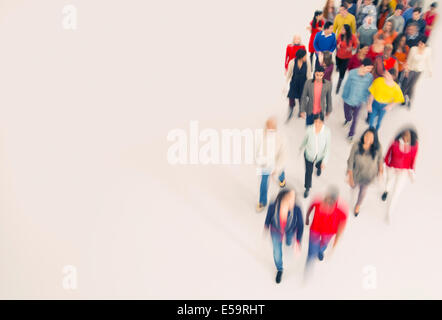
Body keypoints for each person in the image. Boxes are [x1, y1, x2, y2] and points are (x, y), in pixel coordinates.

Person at [264, 189, 304, 284]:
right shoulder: (273, 206)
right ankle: (280, 269)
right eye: (290, 198)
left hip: (290, 230)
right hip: (276, 231)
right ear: (283, 198)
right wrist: (266, 226)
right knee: (277, 252)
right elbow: (269, 216)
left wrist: (298, 241)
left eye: (294, 198)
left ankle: (288, 242)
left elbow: (300, 225)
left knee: (289, 241)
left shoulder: (296, 208)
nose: (293, 201)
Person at [382, 127, 418, 223]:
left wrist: (412, 172)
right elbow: (387, 155)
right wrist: (384, 165)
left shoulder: (414, 146)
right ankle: (386, 191)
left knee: (396, 192)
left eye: (408, 136)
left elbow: (413, 161)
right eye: (404, 135)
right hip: (392, 169)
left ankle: (389, 213)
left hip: (403, 172)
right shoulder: (395, 143)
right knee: (388, 182)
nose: (406, 137)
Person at [305, 187, 347, 269]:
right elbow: (310, 208)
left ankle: (320, 251)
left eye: (331, 201)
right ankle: (310, 259)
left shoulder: (341, 211)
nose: (328, 203)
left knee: (324, 244)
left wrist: (335, 242)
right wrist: (307, 217)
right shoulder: (317, 202)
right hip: (315, 229)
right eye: (327, 199)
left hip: (329, 232)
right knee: (312, 247)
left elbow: (341, 227)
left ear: (335, 201)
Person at [347, 127, 383, 216]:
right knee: (353, 187)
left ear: (374, 140)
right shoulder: (356, 145)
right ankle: (354, 191)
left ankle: (358, 205)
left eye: (371, 138)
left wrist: (380, 171)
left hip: (369, 175)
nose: (368, 139)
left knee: (363, 192)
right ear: (363, 135)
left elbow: (380, 160)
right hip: (356, 173)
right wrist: (350, 176)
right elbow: (350, 160)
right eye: (366, 136)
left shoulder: (378, 148)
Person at [255, 117, 287, 212]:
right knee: (263, 183)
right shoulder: (261, 136)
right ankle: (262, 202)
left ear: (275, 127)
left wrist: (276, 168)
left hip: (276, 163)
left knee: (280, 173)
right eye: (268, 126)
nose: (270, 128)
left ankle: (282, 179)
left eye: (272, 127)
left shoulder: (281, 138)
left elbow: (283, 155)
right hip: (265, 164)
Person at [299, 113, 331, 198]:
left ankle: (318, 168)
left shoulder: (327, 132)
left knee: (318, 165)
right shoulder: (309, 129)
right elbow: (305, 139)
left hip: (320, 156)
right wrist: (301, 147)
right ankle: (307, 188)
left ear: (323, 122)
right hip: (309, 155)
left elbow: (328, 148)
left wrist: (324, 161)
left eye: (320, 122)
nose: (317, 124)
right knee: (308, 172)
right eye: (316, 122)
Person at [342, 58, 374, 141]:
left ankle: (351, 134)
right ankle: (348, 119)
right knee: (347, 114)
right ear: (362, 66)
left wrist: (366, 100)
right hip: (348, 99)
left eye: (371, 69)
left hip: (358, 101)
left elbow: (368, 90)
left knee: (355, 119)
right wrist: (344, 97)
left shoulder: (370, 77)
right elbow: (347, 85)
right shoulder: (352, 73)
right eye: (368, 68)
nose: (369, 70)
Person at [401, 35, 431, 107]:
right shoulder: (413, 49)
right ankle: (403, 98)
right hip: (411, 69)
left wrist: (430, 71)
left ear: (425, 44)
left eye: (422, 44)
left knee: (412, 86)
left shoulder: (427, 51)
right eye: (419, 43)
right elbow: (409, 60)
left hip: (419, 71)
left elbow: (428, 61)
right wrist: (406, 71)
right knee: (406, 84)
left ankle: (410, 100)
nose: (420, 45)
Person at [286, 49, 312, 121]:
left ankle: (301, 110)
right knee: (291, 96)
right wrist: (286, 83)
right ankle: (291, 108)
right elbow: (289, 73)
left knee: (302, 98)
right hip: (294, 82)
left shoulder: (307, 63)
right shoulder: (292, 62)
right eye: (305, 56)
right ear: (301, 57)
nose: (306, 57)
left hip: (303, 83)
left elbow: (309, 75)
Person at [336, 24, 359, 93]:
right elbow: (337, 43)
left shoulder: (353, 37)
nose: (341, 30)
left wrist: (351, 48)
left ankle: (339, 85)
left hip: (347, 58)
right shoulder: (340, 35)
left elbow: (355, 45)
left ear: (347, 31)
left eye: (343, 29)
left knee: (341, 73)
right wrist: (338, 45)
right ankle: (340, 76)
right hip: (338, 56)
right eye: (341, 29)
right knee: (339, 69)